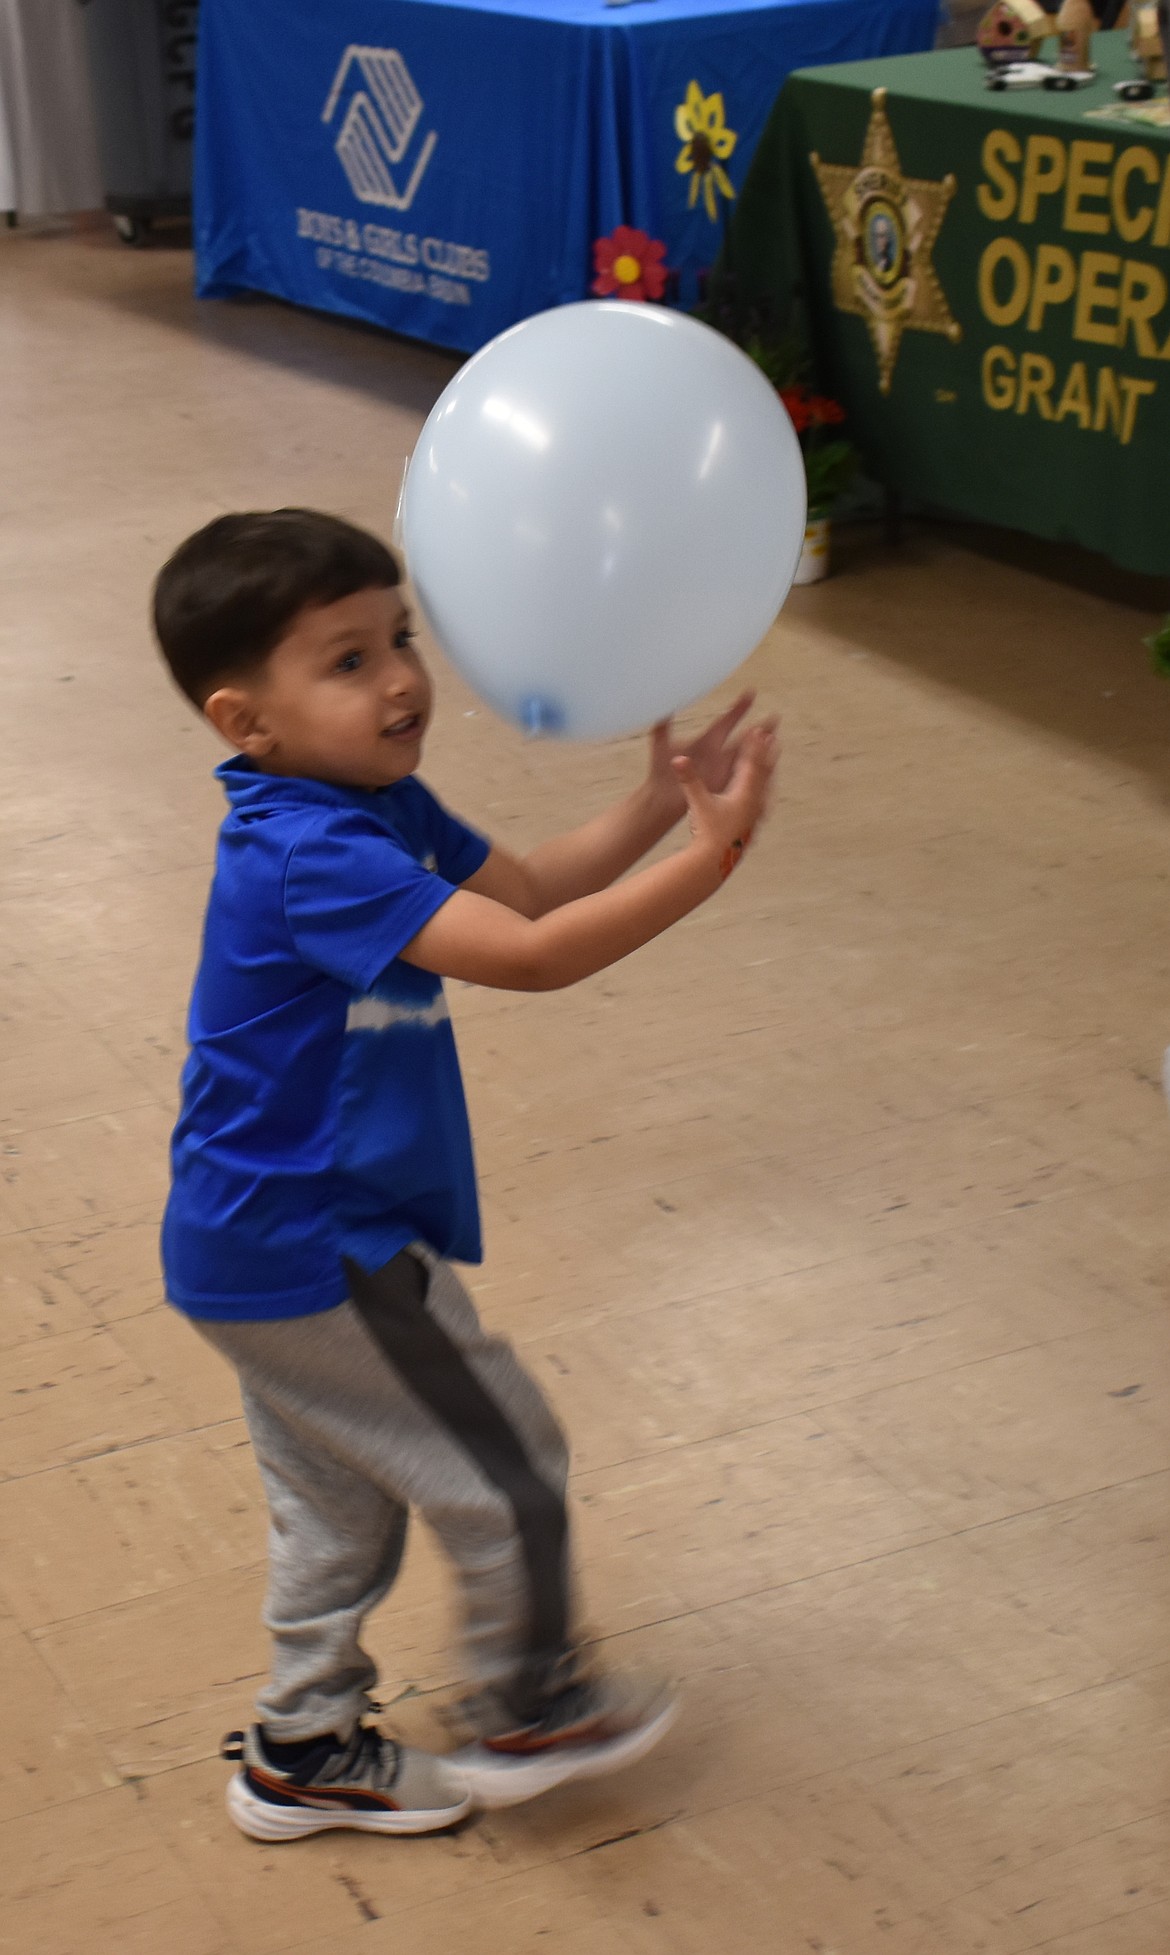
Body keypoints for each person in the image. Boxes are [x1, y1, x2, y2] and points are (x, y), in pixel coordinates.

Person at [152, 507, 778, 1844]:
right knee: (508, 1468)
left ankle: (301, 1746)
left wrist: (660, 803)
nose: (400, 680)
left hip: (247, 1243)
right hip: (318, 1247)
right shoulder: (309, 855)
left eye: (400, 639)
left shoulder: (367, 805)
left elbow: (537, 892)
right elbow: (535, 961)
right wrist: (712, 857)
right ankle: (530, 1703)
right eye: (345, 660)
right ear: (242, 720)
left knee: (341, 1507)